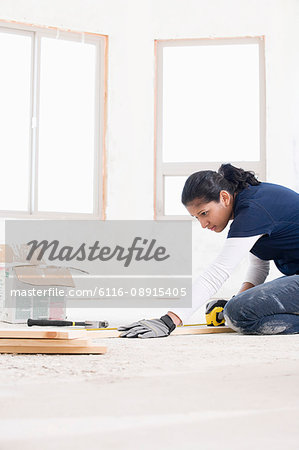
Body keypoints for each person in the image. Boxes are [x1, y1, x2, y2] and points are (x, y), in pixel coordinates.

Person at [118, 163, 299, 338]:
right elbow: (259, 267)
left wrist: (169, 320)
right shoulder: (249, 202)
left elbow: (217, 273)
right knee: (236, 307)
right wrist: (238, 298)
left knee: (238, 314)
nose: (203, 224)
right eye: (196, 217)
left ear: (224, 197)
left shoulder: (254, 210)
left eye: (204, 213)